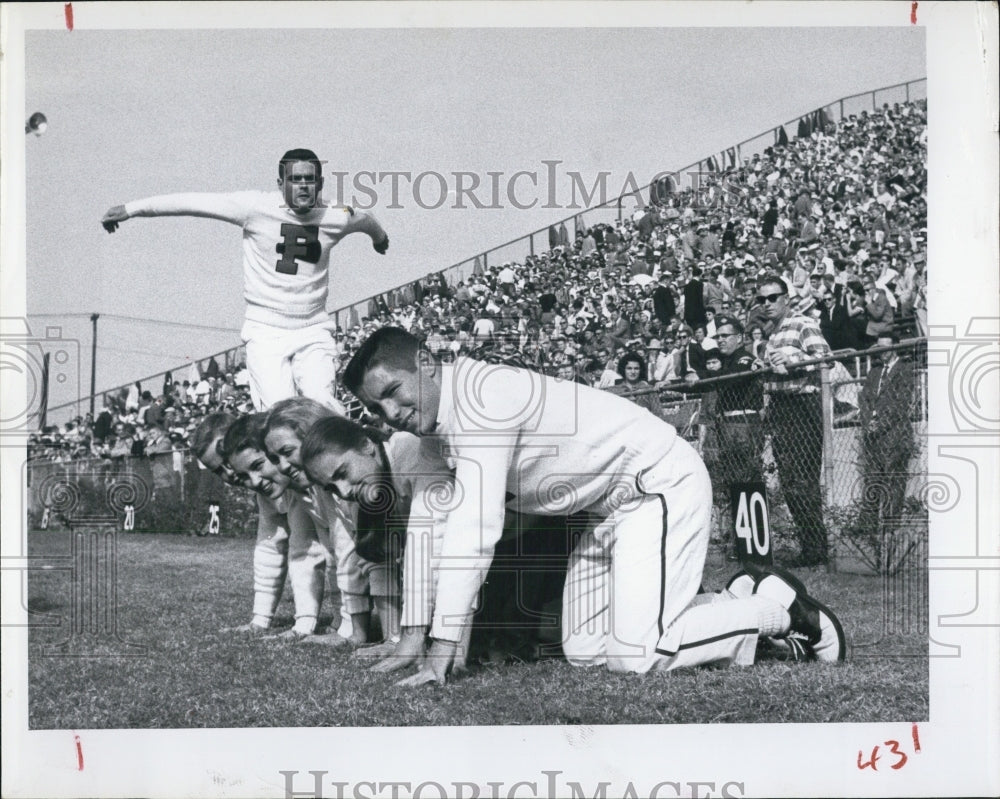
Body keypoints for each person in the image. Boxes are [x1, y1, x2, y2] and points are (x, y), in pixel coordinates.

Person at [341, 327, 845, 685]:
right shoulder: (437, 423)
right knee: (584, 653)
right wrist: (411, 637)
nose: (390, 413)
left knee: (636, 657)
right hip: (608, 513)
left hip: (656, 484)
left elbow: (474, 529)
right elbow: (431, 526)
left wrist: (444, 644)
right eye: (375, 408)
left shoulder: (480, 397)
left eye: (393, 391)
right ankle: (738, 596)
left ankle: (784, 614)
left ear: (427, 363)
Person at [101, 148, 390, 412]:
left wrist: (380, 239)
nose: (303, 185)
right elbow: (194, 202)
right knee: (281, 414)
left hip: (313, 328)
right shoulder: (254, 207)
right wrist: (132, 208)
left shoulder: (337, 216)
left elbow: (366, 220)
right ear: (280, 184)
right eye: (295, 179)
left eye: (310, 179)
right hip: (266, 331)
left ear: (321, 183)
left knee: (323, 406)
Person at [261, 398, 388, 646]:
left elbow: (357, 555)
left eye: (287, 452)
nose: (283, 466)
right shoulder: (321, 487)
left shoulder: (352, 477)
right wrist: (345, 627)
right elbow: (338, 556)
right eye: (274, 459)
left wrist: (355, 633)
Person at [758, 275, 833, 566]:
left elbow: (826, 358)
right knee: (790, 482)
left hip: (802, 405)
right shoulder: (772, 334)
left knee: (804, 479)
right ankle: (808, 549)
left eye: (772, 297)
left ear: (786, 298)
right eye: (761, 299)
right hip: (779, 406)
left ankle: (818, 551)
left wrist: (792, 366)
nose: (766, 304)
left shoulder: (802, 323)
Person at [856, 333, 915, 546]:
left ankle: (891, 526)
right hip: (874, 436)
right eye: (879, 348)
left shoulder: (905, 371)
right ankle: (867, 526)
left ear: (894, 348)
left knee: (894, 481)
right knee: (872, 479)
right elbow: (864, 399)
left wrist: (879, 423)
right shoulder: (875, 371)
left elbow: (901, 404)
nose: (882, 352)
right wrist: (867, 422)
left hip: (895, 434)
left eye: (886, 348)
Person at [609, 351, 663, 416]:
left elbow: (658, 414)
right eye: (629, 368)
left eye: (636, 368)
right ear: (623, 369)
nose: (633, 372)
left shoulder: (649, 389)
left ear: (640, 370)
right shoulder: (615, 390)